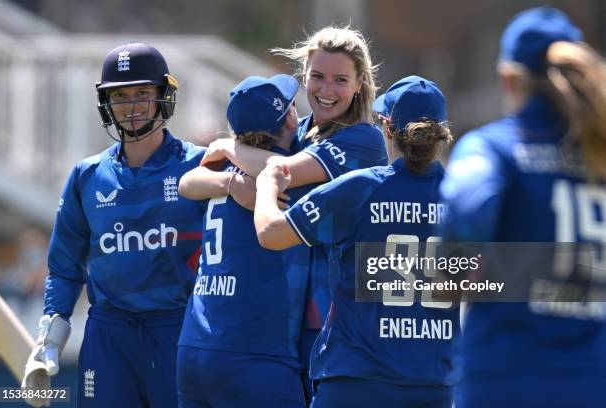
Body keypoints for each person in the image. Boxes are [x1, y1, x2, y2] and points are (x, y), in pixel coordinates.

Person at [199, 26, 388, 398]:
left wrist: (227, 144)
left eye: (339, 79)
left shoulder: (363, 139)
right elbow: (194, 175)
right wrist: (228, 183)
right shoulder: (298, 132)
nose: (326, 90)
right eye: (317, 77)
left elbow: (282, 171)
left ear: (360, 82)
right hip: (290, 324)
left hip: (341, 323)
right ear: (304, 76)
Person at [254, 75, 458, 408]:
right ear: (440, 135)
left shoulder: (362, 188)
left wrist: (267, 184)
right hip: (432, 382)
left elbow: (270, 234)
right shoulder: (461, 196)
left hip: (356, 380)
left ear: (387, 129)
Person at [21, 43, 205, 408]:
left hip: (178, 330)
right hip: (108, 334)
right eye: (120, 96)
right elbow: (64, 264)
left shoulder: (199, 166)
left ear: (163, 96)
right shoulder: (86, 176)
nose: (132, 106)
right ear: (107, 103)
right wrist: (49, 339)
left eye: (142, 93)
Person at [439, 7, 606, 408]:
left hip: (505, 381)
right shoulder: (600, 157)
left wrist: (451, 280)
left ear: (508, 79)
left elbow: (465, 209)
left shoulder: (494, 147)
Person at [176, 74, 310, 408]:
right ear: (290, 118)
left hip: (195, 347)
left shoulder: (218, 163)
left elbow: (187, 182)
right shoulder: (290, 175)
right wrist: (234, 181)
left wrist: (228, 161)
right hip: (256, 352)